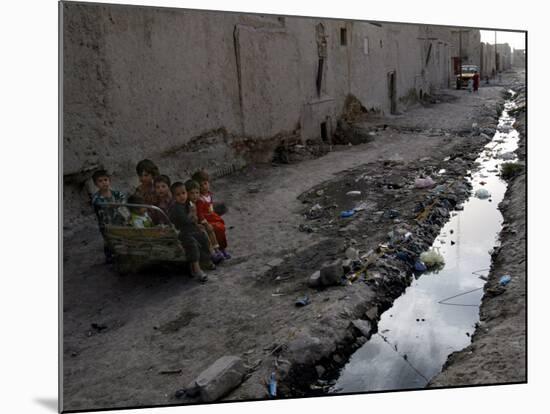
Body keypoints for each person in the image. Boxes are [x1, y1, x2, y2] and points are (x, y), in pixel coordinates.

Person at [169, 182, 216, 282]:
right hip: (182, 232)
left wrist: (196, 222)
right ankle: (197, 268)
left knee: (203, 237)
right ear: (173, 197)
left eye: (183, 193)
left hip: (191, 229)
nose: (182, 196)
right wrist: (191, 213)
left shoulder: (187, 204)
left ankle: (206, 260)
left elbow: (193, 219)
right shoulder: (176, 208)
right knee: (192, 244)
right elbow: (185, 220)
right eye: (178, 195)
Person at [192, 170, 231, 259]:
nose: (204, 187)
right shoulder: (200, 199)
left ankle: (223, 248)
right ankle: (217, 250)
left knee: (221, 228)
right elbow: (199, 213)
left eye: (205, 184)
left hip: (213, 216)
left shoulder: (209, 195)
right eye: (200, 186)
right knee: (216, 229)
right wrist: (204, 222)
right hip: (206, 220)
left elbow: (211, 207)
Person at [184, 179, 225, 263]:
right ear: (187, 193)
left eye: (197, 193)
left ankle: (217, 249)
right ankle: (212, 254)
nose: (195, 196)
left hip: (198, 223)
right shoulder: (188, 205)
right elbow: (190, 219)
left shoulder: (196, 202)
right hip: (191, 227)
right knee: (204, 232)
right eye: (192, 193)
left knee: (210, 228)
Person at [91, 169, 126, 263]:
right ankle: (109, 257)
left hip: (118, 221)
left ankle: (121, 254)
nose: (104, 183)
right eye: (100, 181)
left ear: (109, 180)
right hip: (105, 224)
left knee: (120, 237)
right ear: (96, 184)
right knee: (108, 240)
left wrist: (119, 203)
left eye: (105, 180)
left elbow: (123, 199)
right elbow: (99, 204)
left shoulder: (116, 193)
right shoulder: (96, 198)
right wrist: (112, 204)